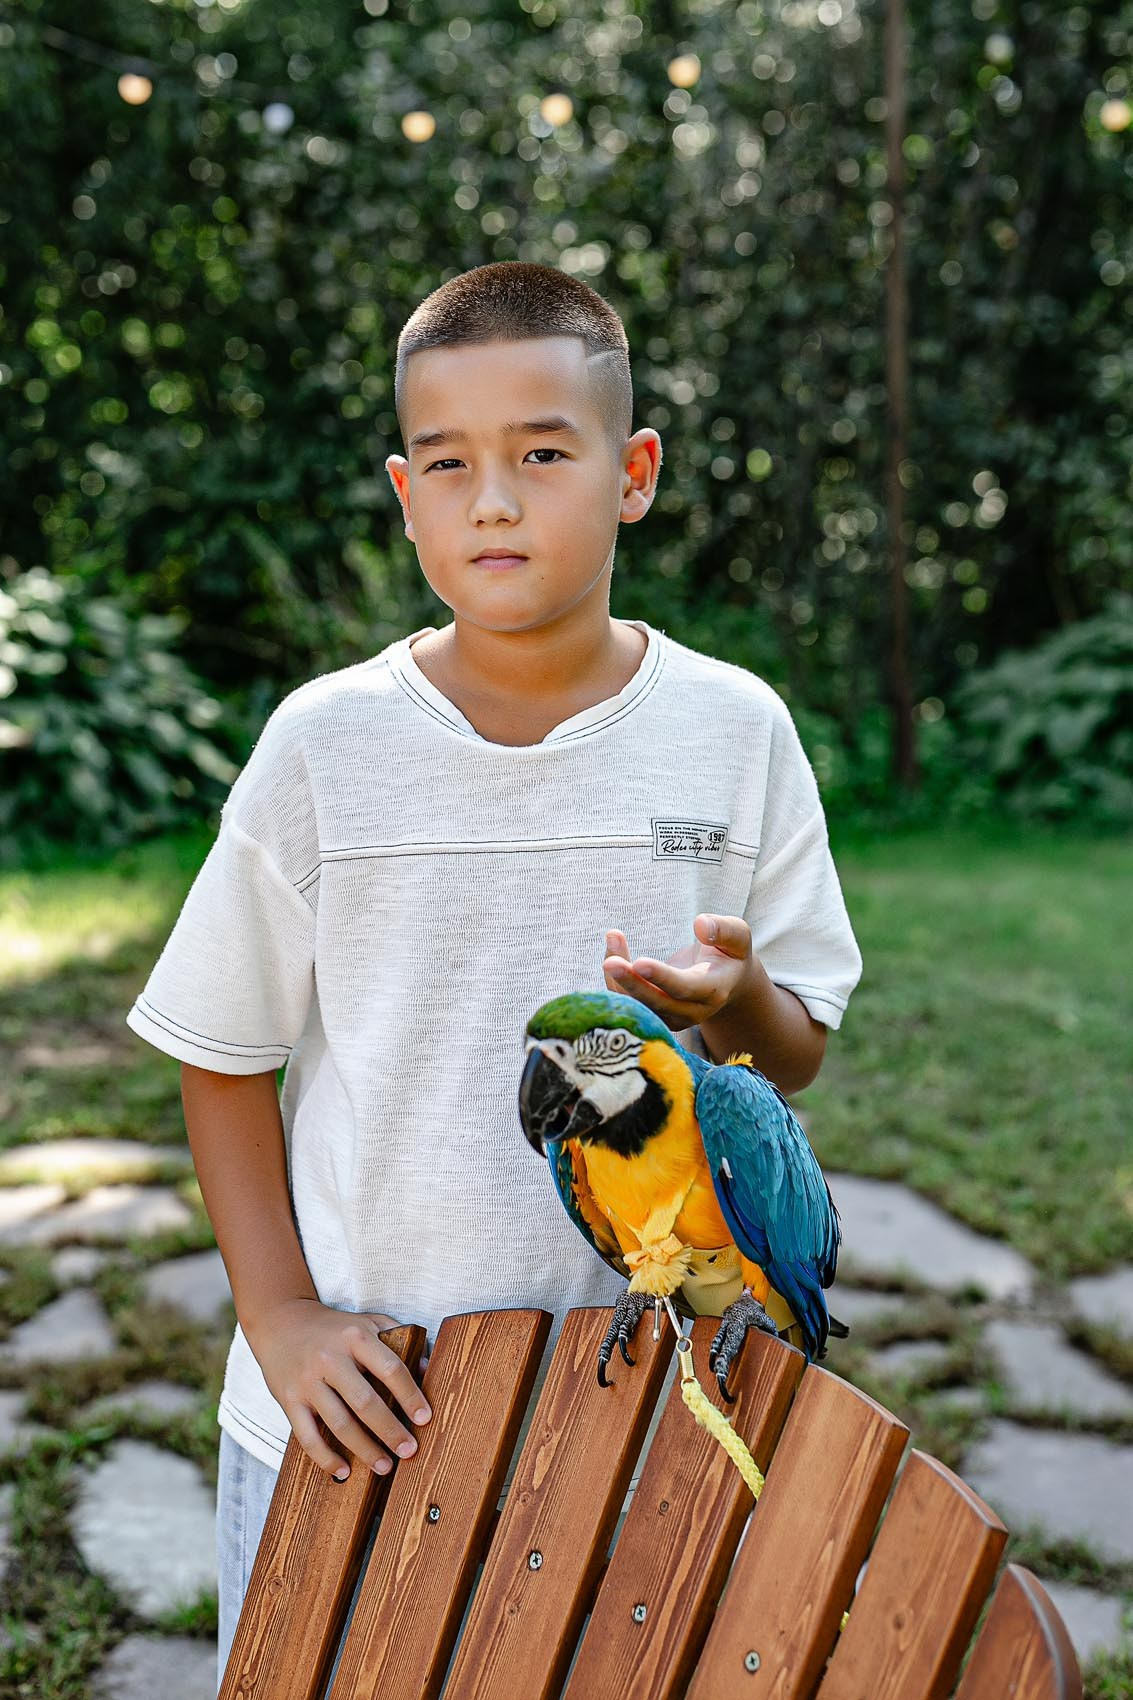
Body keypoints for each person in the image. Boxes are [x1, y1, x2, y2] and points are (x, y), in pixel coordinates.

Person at [126, 261, 862, 1683]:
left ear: (633, 471)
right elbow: (218, 1047)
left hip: (635, 1404)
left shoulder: (733, 731)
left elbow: (796, 1048)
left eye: (542, 453)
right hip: (355, 1410)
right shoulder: (324, 747)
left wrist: (738, 1004)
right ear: (405, 496)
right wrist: (281, 1321)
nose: (496, 502)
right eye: (450, 466)